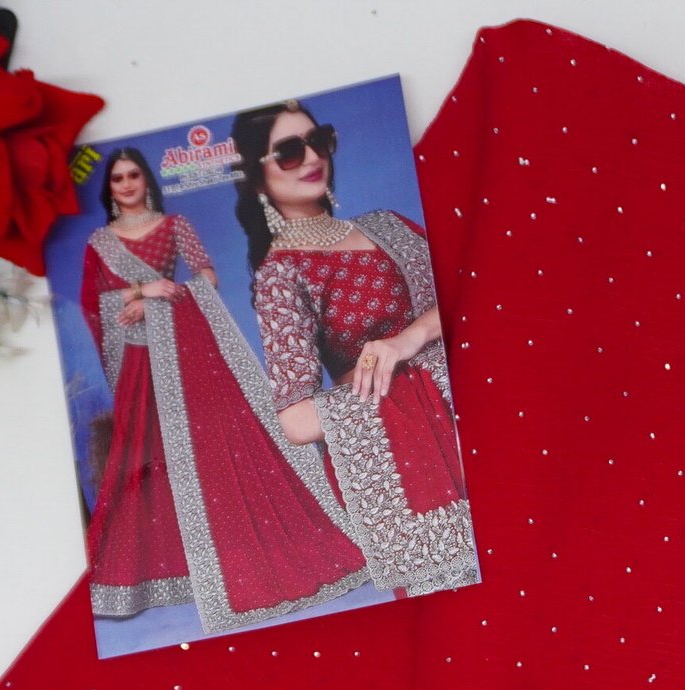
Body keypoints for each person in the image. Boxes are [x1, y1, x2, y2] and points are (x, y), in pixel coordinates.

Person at [79, 147, 371, 636]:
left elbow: (207, 276)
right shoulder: (99, 243)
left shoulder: (174, 226)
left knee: (206, 447)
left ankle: (225, 560)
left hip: (184, 352)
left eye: (133, 175)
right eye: (117, 178)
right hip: (138, 359)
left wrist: (166, 295)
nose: (126, 184)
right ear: (109, 188)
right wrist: (140, 292)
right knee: (145, 453)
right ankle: (165, 572)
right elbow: (94, 305)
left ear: (146, 180)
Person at [231, 103, 480, 597]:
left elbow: (472, 294)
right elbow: (297, 420)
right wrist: (409, 390)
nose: (311, 157)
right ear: (257, 178)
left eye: (318, 139)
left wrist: (408, 340)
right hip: (410, 452)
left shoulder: (386, 224)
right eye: (288, 151)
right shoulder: (281, 275)